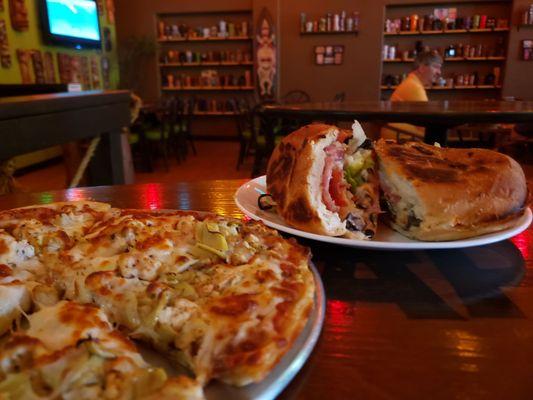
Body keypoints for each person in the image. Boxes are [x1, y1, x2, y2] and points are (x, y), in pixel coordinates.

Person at [381, 51, 443, 143]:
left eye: (440, 68)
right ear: (422, 67)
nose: (439, 72)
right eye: (436, 67)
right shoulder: (414, 86)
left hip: (400, 135)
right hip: (400, 138)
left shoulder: (412, 82)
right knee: (437, 137)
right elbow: (426, 121)